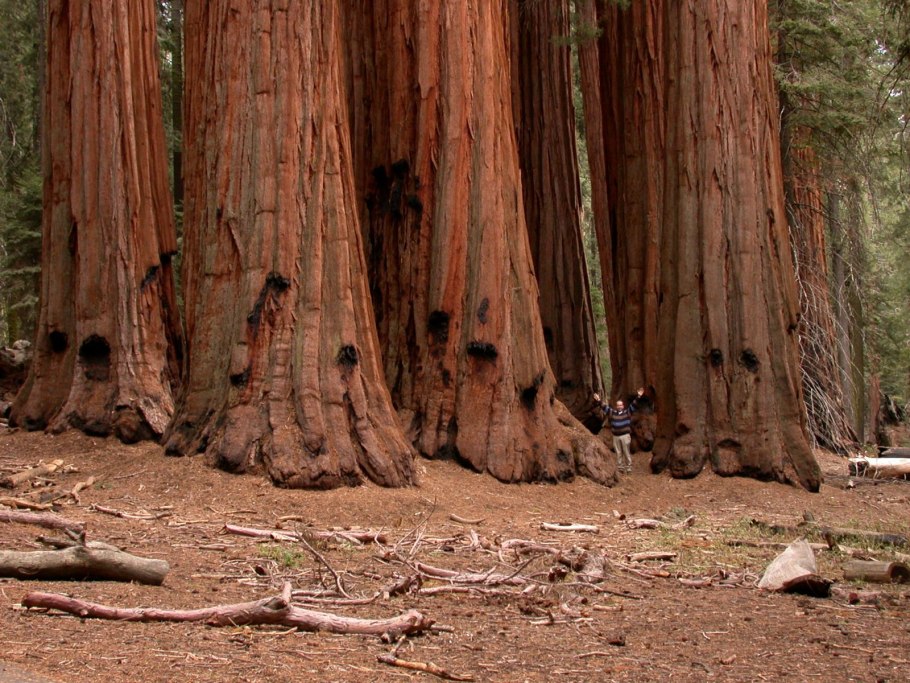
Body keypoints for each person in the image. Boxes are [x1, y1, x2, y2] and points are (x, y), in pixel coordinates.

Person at [593, 388, 645, 474]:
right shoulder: (613, 413)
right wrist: (598, 400)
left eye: (621, 405)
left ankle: (628, 468)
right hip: (616, 436)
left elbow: (633, 405)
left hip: (625, 436)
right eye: (618, 405)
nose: (619, 407)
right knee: (618, 453)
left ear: (623, 406)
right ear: (617, 407)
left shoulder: (627, 412)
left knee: (626, 452)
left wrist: (638, 396)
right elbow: (605, 407)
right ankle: (620, 468)